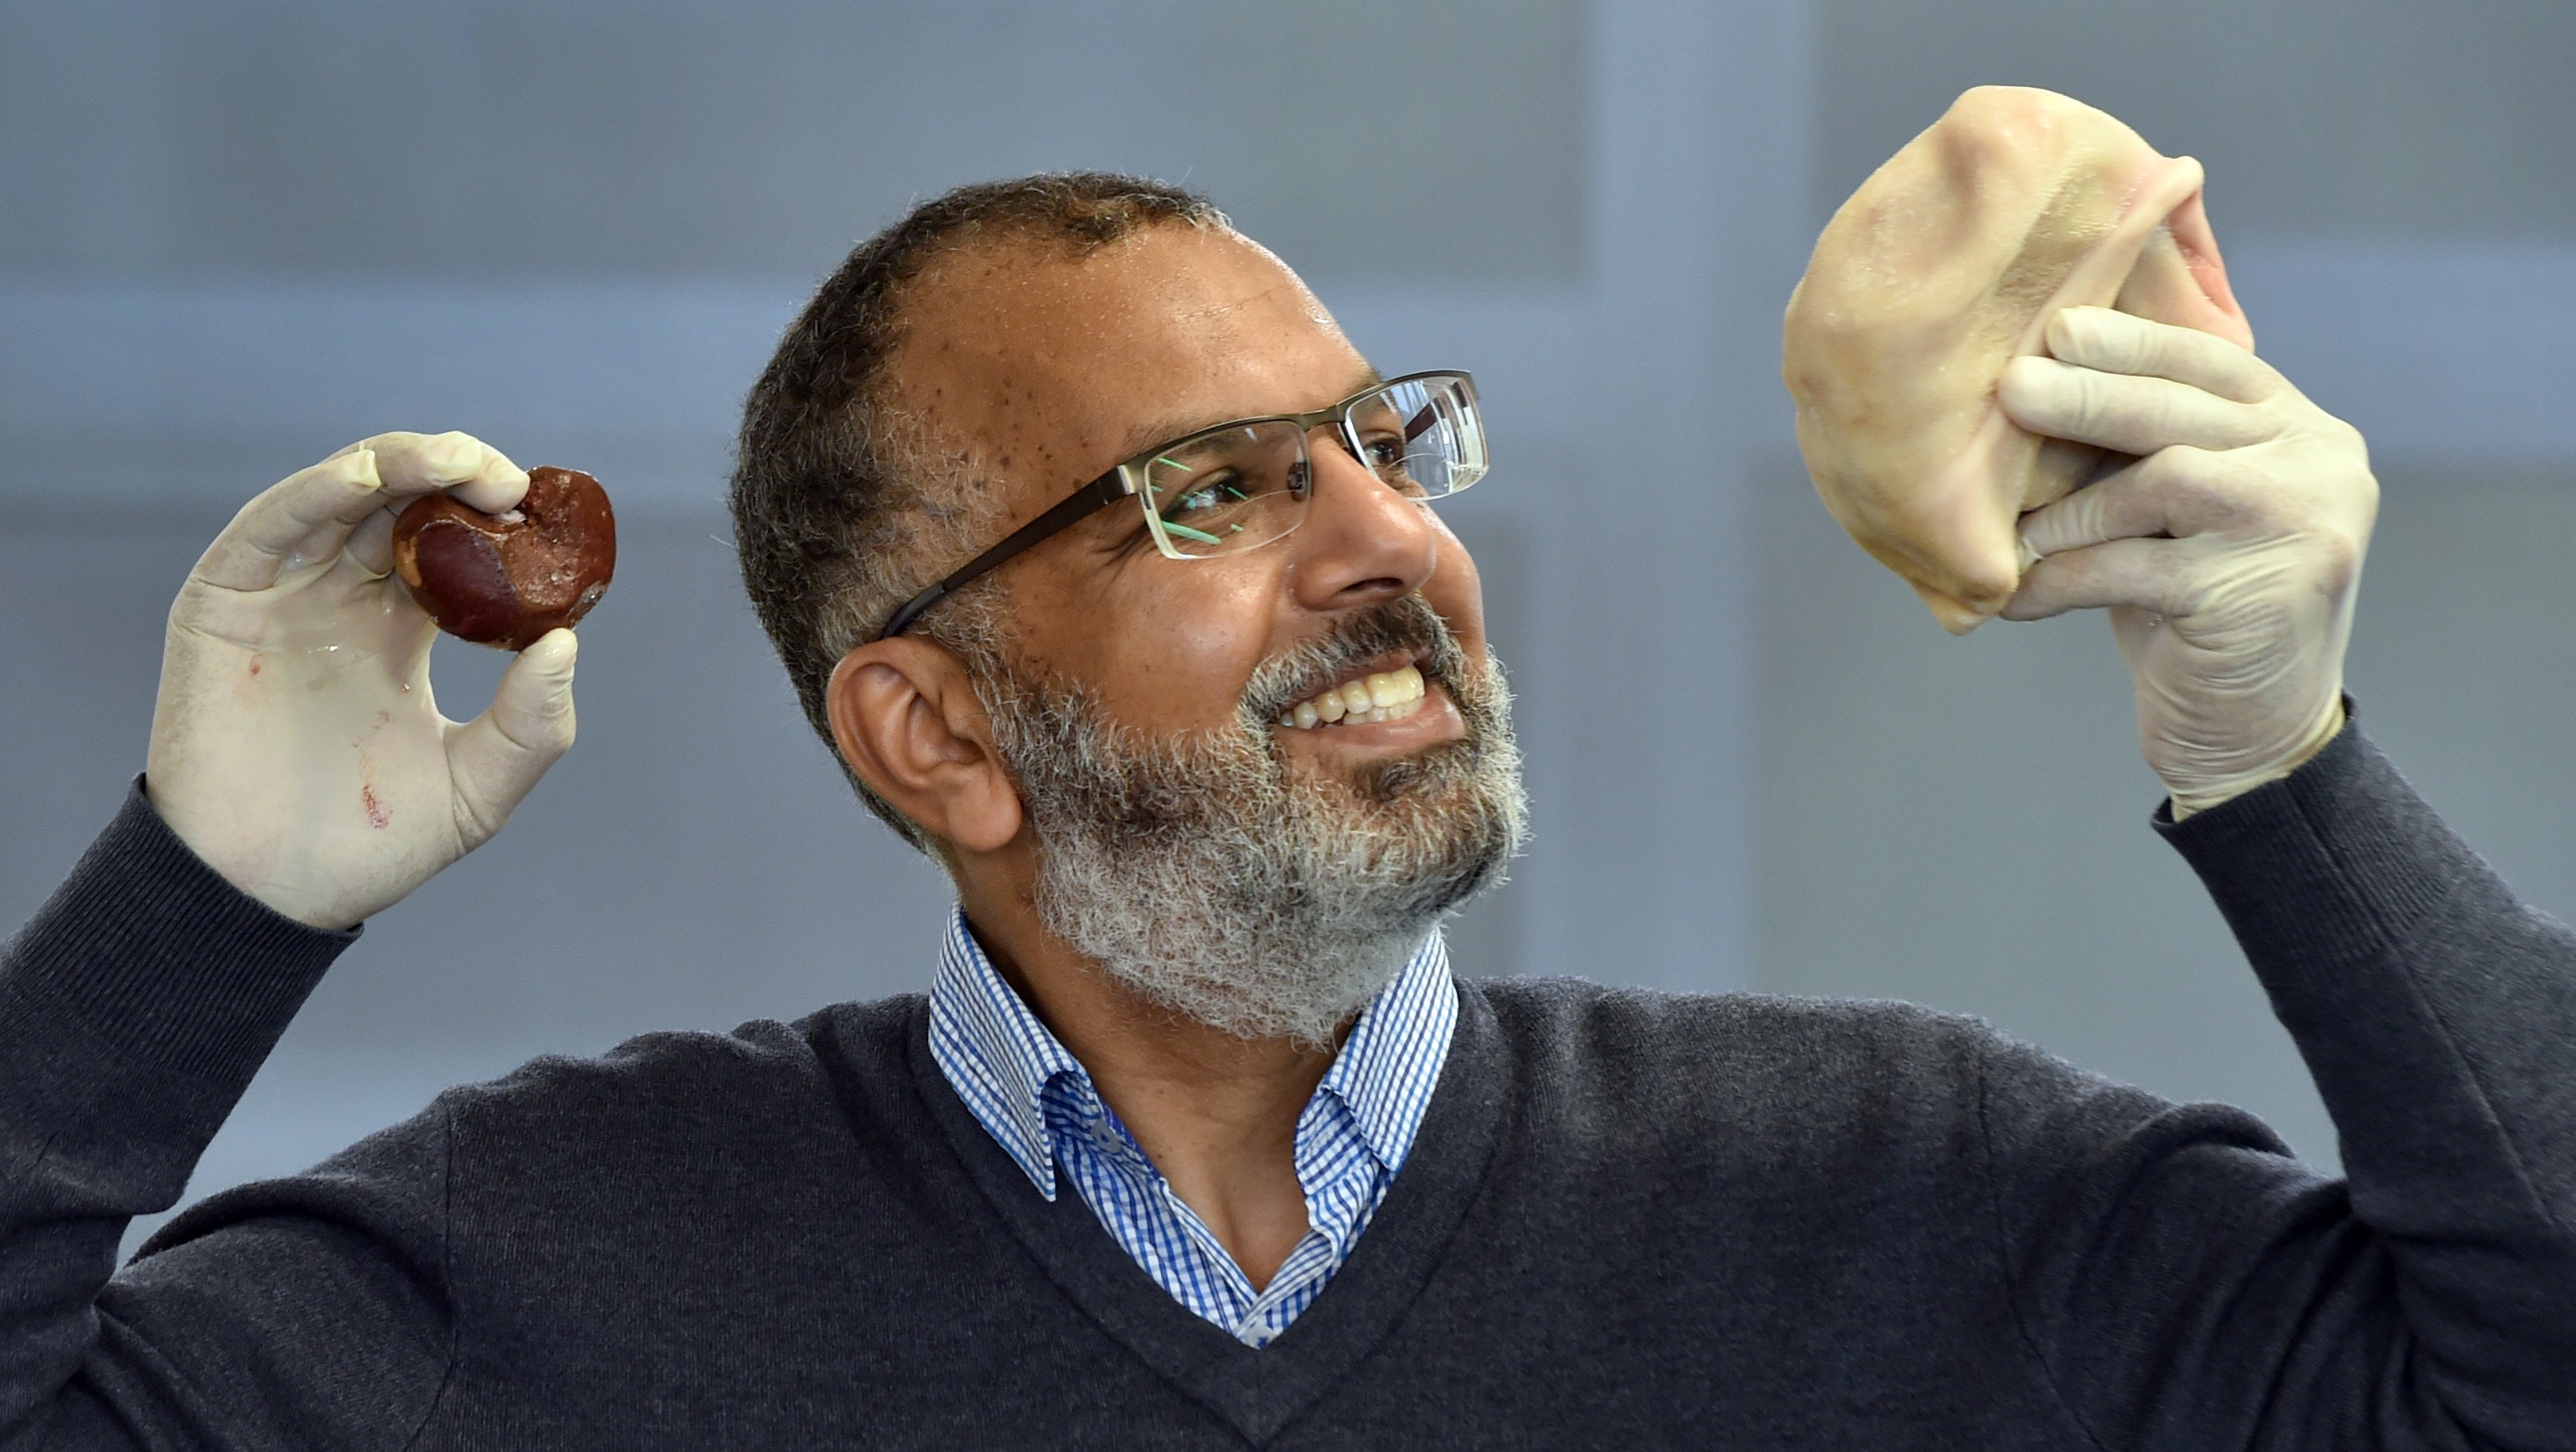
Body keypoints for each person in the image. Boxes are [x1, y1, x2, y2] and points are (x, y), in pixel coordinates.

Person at [1, 172, 2567, 1449]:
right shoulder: (537, 1285)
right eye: (1215, 495)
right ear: (932, 735)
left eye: (1382, 440)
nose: (1393, 540)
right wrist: (195, 906)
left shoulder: (1915, 1201)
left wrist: (2276, 759)